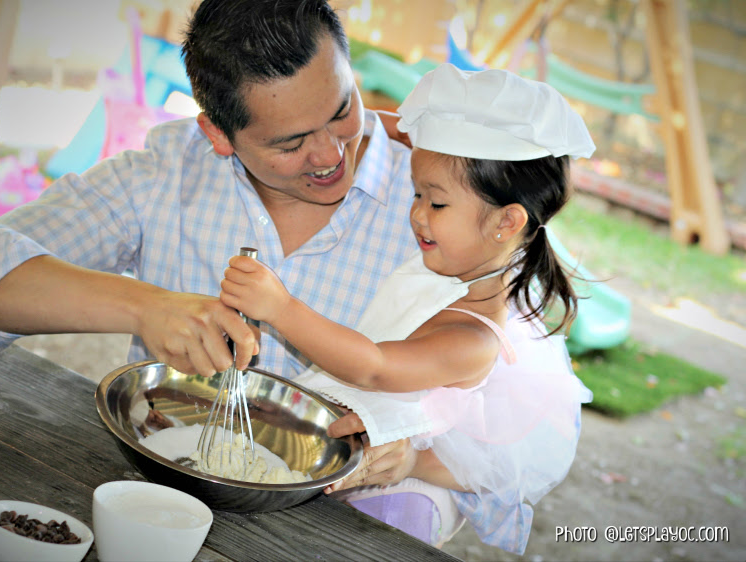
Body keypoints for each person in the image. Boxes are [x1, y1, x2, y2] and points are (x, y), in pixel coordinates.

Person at [0, 0, 478, 545]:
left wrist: (416, 454)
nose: (329, 154)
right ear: (218, 134)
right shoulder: (168, 174)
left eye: (342, 109)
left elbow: (511, 382)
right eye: (290, 143)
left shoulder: (441, 202)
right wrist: (144, 306)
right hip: (160, 492)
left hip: (338, 519)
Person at [220, 64, 595, 553]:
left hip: (407, 487)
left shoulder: (473, 339)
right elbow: (403, 131)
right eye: (416, 193)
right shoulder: (460, 266)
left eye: (435, 204)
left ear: (507, 222)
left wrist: (281, 308)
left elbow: (374, 367)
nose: (417, 213)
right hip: (366, 442)